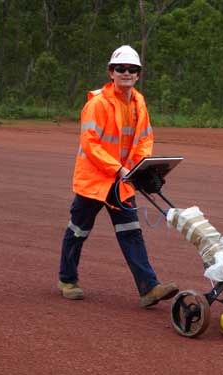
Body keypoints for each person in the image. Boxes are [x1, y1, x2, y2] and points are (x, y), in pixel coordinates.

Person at [58, 45, 178, 308]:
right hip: (95, 181)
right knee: (78, 231)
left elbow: (144, 138)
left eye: (132, 69)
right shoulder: (97, 103)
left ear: (138, 74)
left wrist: (141, 168)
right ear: (111, 72)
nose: (126, 73)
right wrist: (120, 170)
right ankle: (67, 280)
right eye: (121, 69)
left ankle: (149, 288)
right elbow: (91, 144)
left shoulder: (139, 102)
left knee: (131, 232)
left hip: (122, 181)